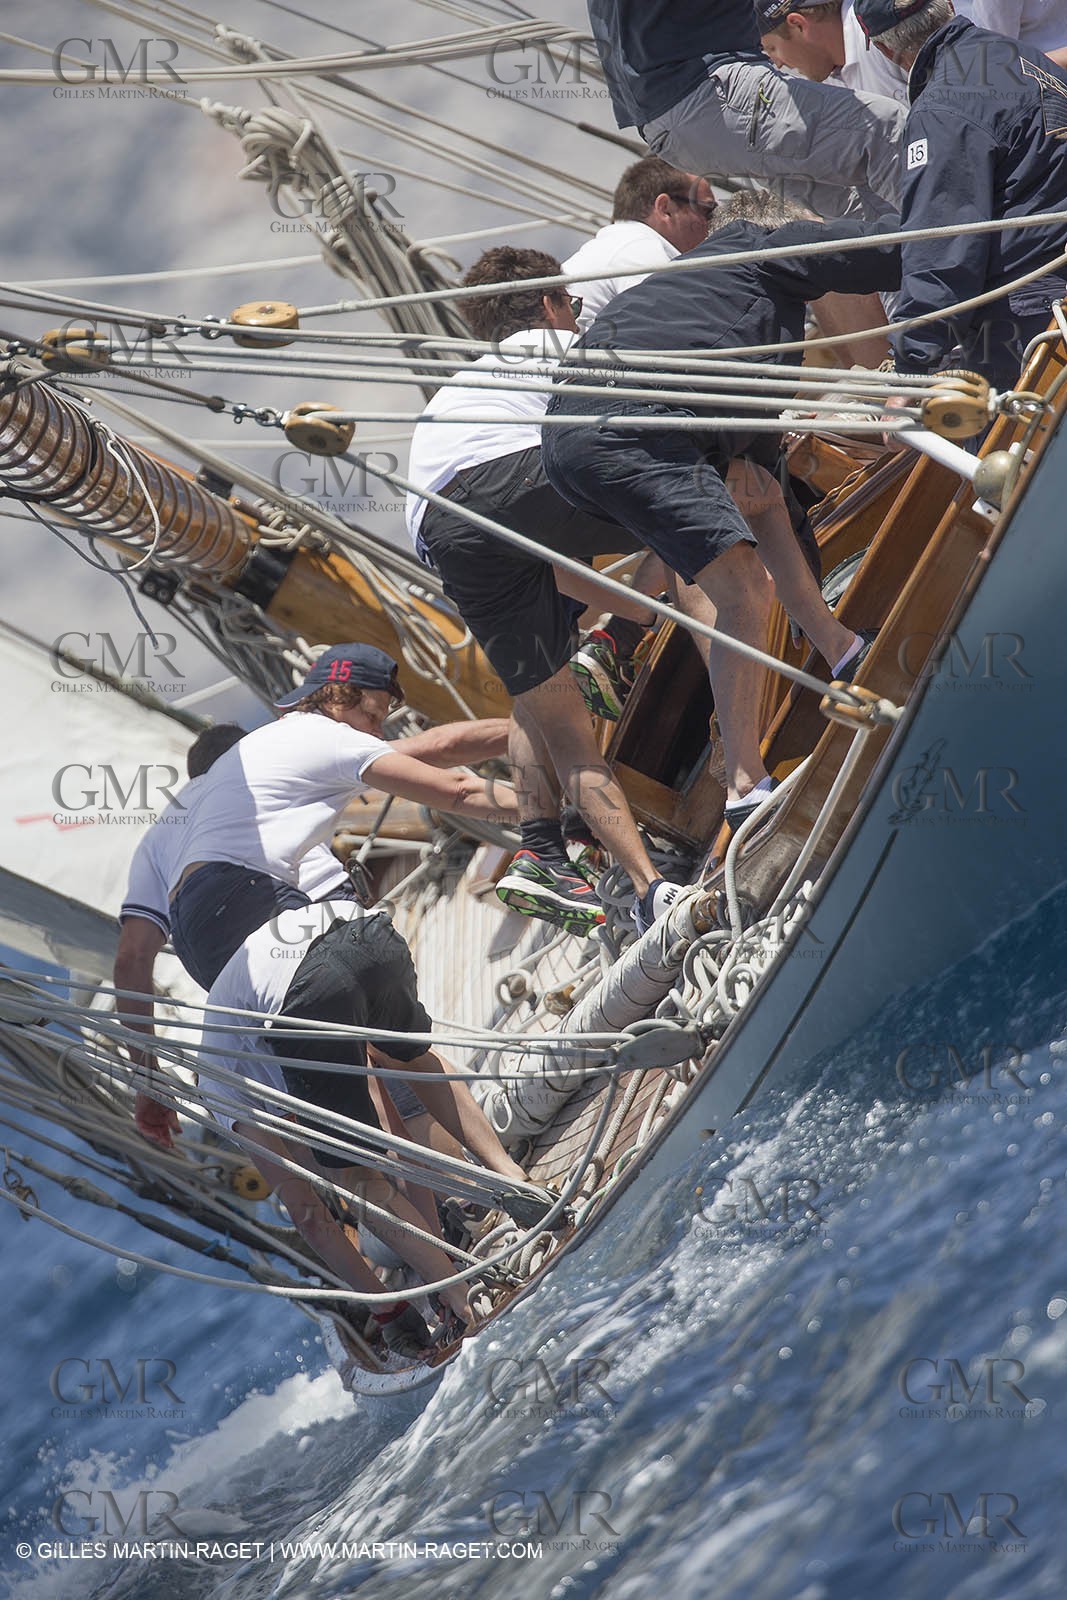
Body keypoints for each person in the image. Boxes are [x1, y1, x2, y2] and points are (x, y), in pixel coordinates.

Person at [541, 195, 901, 826]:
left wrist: (839, 644)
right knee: (742, 591)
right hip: (636, 426)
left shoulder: (705, 306)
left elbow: (774, 508)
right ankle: (743, 785)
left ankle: (843, 650)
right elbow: (882, 245)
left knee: (760, 495)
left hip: (580, 447)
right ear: (777, 228)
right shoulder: (750, 250)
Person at [406, 246, 687, 936]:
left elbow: (556, 564)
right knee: (686, 498)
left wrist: (616, 620)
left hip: (442, 528)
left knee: (558, 718)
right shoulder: (545, 343)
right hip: (509, 478)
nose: (576, 316)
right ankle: (628, 647)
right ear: (548, 302)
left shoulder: (460, 390)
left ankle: (567, 858)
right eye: (573, 304)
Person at [190, 898, 556, 1353]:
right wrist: (434, 1242)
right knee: (415, 1058)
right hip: (368, 933)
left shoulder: (219, 1086)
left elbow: (309, 1214)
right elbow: (396, 1136)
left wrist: (388, 1308)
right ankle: (512, 1177)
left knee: (352, 1176)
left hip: (308, 990)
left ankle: (465, 1300)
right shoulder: (237, 1026)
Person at [164, 645, 515, 991]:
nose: (377, 733)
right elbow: (458, 790)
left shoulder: (282, 741)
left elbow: (435, 748)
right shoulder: (329, 738)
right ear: (340, 696)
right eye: (374, 717)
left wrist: (521, 732)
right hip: (241, 896)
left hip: (193, 934)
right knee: (377, 983)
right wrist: (552, 811)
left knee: (350, 1037)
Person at [115, 723, 369, 1146]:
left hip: (241, 968)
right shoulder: (261, 771)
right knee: (382, 1053)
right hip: (325, 912)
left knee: (316, 1110)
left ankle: (402, 1201)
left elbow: (131, 960)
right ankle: (464, 1188)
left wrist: (147, 1078)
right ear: (248, 752)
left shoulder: (157, 837)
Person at [854, 0, 1067, 387]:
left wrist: (910, 370)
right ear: (947, 6)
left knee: (996, 444)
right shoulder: (1025, 59)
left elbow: (941, 248)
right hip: (1053, 301)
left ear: (885, 50)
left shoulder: (942, 109)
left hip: (1027, 322)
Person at [585, 0, 904, 220]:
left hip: (676, 120)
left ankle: (923, 307)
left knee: (863, 208)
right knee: (887, 130)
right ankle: (946, 254)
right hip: (709, 91)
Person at [562, 156, 718, 332]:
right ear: (665, 208)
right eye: (708, 210)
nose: (715, 223)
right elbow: (678, 328)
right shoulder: (639, 248)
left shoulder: (619, 243)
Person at [756, 1, 909, 101]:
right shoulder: (830, 74)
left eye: (772, 48)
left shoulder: (884, 30)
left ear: (798, 25)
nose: (778, 63)